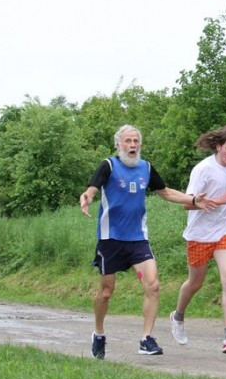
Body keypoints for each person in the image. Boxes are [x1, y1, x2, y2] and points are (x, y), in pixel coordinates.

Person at [79, 124, 218, 359]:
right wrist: (88, 196)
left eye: (136, 141)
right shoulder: (109, 165)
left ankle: (146, 339)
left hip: (137, 239)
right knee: (106, 292)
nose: (133, 146)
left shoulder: (146, 168)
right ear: (118, 145)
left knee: (153, 285)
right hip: (110, 239)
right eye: (128, 141)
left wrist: (194, 200)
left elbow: (165, 192)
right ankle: (99, 333)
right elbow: (93, 188)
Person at [169, 125, 226, 354]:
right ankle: (178, 316)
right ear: (218, 147)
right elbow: (187, 203)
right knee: (195, 283)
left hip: (225, 230)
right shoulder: (203, 169)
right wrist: (219, 200)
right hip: (199, 235)